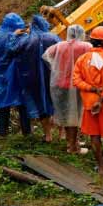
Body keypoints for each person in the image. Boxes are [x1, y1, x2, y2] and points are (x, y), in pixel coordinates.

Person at [72, 26, 103, 175]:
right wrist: (102, 97)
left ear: (92, 41)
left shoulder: (82, 59)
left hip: (89, 103)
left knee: (94, 135)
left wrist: (92, 89)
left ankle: (101, 167)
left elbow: (76, 80)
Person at [7, 16, 61, 142]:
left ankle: (48, 135)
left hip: (32, 78)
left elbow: (11, 50)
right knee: (57, 102)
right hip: (53, 76)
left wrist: (14, 36)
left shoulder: (26, 40)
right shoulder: (53, 38)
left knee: (40, 104)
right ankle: (62, 134)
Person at [43, 25, 92, 153]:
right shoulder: (86, 46)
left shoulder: (60, 45)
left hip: (61, 85)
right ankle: (72, 146)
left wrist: (58, 66)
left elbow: (46, 55)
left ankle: (72, 141)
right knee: (75, 115)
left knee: (67, 114)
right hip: (78, 85)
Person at [0, 13, 32, 138]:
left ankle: (2, 134)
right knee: (22, 104)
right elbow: (17, 50)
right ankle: (27, 133)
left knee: (3, 105)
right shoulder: (18, 36)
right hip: (16, 74)